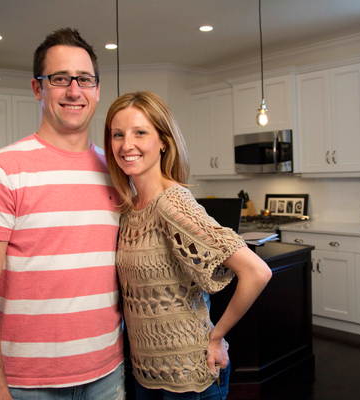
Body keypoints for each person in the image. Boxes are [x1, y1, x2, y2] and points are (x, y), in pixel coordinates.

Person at [0, 28, 125, 400]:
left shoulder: (117, 172)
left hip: (108, 374)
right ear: (38, 88)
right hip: (25, 385)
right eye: (59, 79)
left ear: (97, 89)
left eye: (84, 79)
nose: (74, 91)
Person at [104, 91, 273, 399]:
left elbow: (257, 271)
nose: (126, 144)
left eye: (140, 132)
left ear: (163, 141)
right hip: (146, 374)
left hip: (191, 374)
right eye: (118, 134)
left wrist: (216, 336)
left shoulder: (173, 203)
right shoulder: (130, 209)